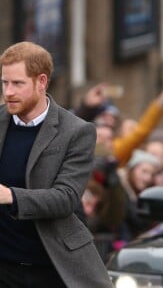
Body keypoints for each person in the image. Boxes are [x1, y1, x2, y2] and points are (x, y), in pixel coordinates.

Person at [0, 41, 113, 288]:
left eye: (17, 83)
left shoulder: (76, 132)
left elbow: (66, 198)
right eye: (4, 82)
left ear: (41, 82)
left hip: (54, 268)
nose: (8, 92)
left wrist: (10, 196)